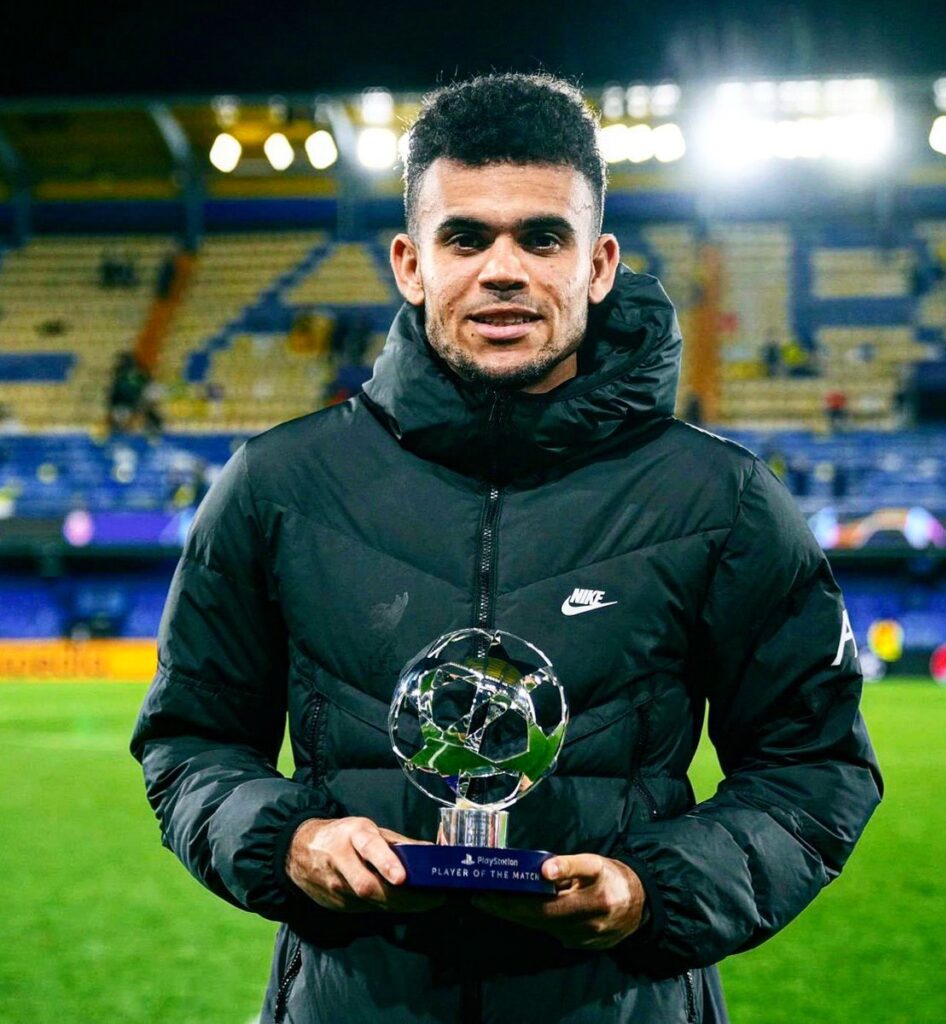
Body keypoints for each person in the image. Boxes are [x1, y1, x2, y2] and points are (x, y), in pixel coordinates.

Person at [131, 73, 882, 1024]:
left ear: (598, 265)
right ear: (410, 264)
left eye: (542, 237)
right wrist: (288, 842)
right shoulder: (278, 485)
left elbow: (815, 768)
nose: (503, 269)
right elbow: (190, 741)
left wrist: (651, 889)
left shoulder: (720, 499)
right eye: (465, 237)